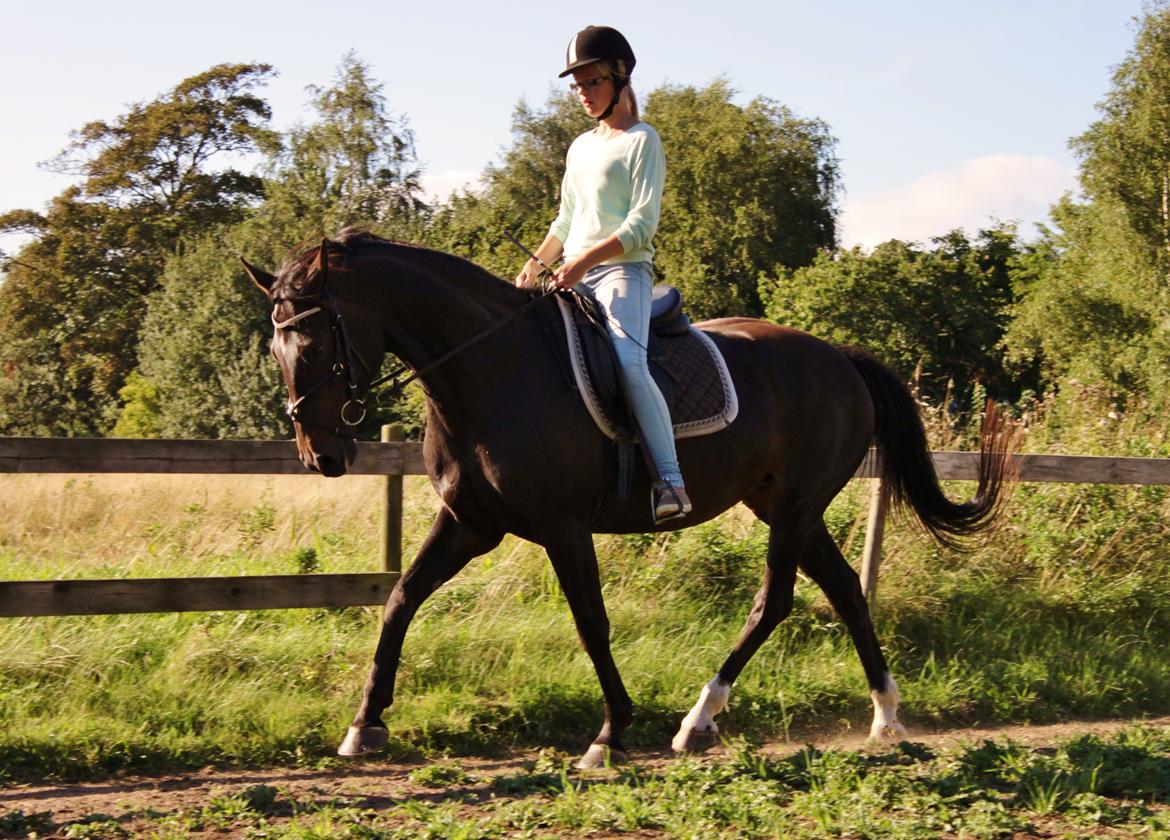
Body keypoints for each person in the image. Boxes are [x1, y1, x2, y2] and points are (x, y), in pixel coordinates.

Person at [515, 25, 691, 523]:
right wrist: (537, 262)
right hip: (571, 273)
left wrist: (583, 261)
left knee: (629, 364)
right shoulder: (579, 148)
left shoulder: (643, 142)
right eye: (577, 85)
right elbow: (566, 221)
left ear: (617, 78)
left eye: (591, 82)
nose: (583, 93)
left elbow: (639, 226)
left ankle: (672, 482)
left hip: (620, 274)